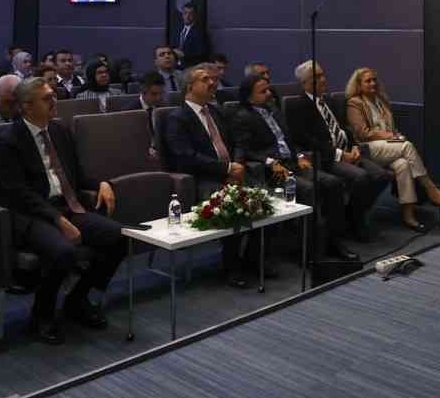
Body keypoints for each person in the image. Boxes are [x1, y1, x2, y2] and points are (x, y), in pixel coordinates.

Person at [0, 78, 126, 343]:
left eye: (54, 96)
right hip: (31, 216)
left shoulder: (60, 131)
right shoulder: (6, 141)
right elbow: (18, 194)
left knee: (119, 237)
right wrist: (58, 220)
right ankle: (41, 315)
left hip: (68, 206)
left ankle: (77, 299)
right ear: (26, 106)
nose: (55, 101)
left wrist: (103, 183)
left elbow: (76, 176)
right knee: (64, 252)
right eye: (47, 98)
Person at [231, 73, 358, 262]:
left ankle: (333, 240)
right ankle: (308, 251)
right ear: (249, 97)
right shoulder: (242, 117)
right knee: (308, 189)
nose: (269, 93)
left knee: (333, 183)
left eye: (268, 89)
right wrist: (270, 162)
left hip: (292, 163)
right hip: (272, 170)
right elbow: (245, 150)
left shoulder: (274, 110)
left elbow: (288, 140)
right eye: (263, 91)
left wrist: (298, 155)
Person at [162, 64, 264, 286]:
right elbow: (185, 157)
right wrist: (226, 170)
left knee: (264, 199)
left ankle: (253, 259)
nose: (212, 82)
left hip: (232, 172)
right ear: (190, 86)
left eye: (213, 79)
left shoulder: (216, 111)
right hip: (203, 177)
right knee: (234, 205)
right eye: (205, 79)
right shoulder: (177, 118)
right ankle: (231, 267)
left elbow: (237, 142)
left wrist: (236, 164)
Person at [285, 62, 391, 242]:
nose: (323, 79)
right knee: (361, 177)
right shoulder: (297, 105)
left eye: (323, 75)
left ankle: (352, 214)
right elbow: (305, 140)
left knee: (382, 176)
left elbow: (343, 129)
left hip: (348, 151)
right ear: (305, 83)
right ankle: (356, 223)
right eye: (317, 77)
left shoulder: (328, 101)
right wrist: (340, 154)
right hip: (327, 158)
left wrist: (354, 146)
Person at [345, 67, 440, 232]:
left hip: (387, 146)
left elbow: (391, 128)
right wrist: (390, 136)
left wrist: (396, 135)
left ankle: (408, 215)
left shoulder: (381, 100)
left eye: (374, 80)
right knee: (407, 146)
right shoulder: (355, 103)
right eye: (368, 81)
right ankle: (431, 189)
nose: (373, 83)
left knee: (403, 164)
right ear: (358, 85)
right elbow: (363, 133)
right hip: (367, 147)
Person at [137, 71, 166, 165]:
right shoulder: (129, 111)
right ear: (143, 92)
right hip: (140, 154)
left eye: (161, 93)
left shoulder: (164, 108)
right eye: (154, 94)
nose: (158, 98)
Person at [175, 3, 209, 69]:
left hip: (190, 69)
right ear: (182, 15)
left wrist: (184, 55)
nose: (187, 16)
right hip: (176, 68)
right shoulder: (177, 30)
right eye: (185, 13)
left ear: (195, 15)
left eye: (190, 14)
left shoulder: (200, 33)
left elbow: (201, 55)